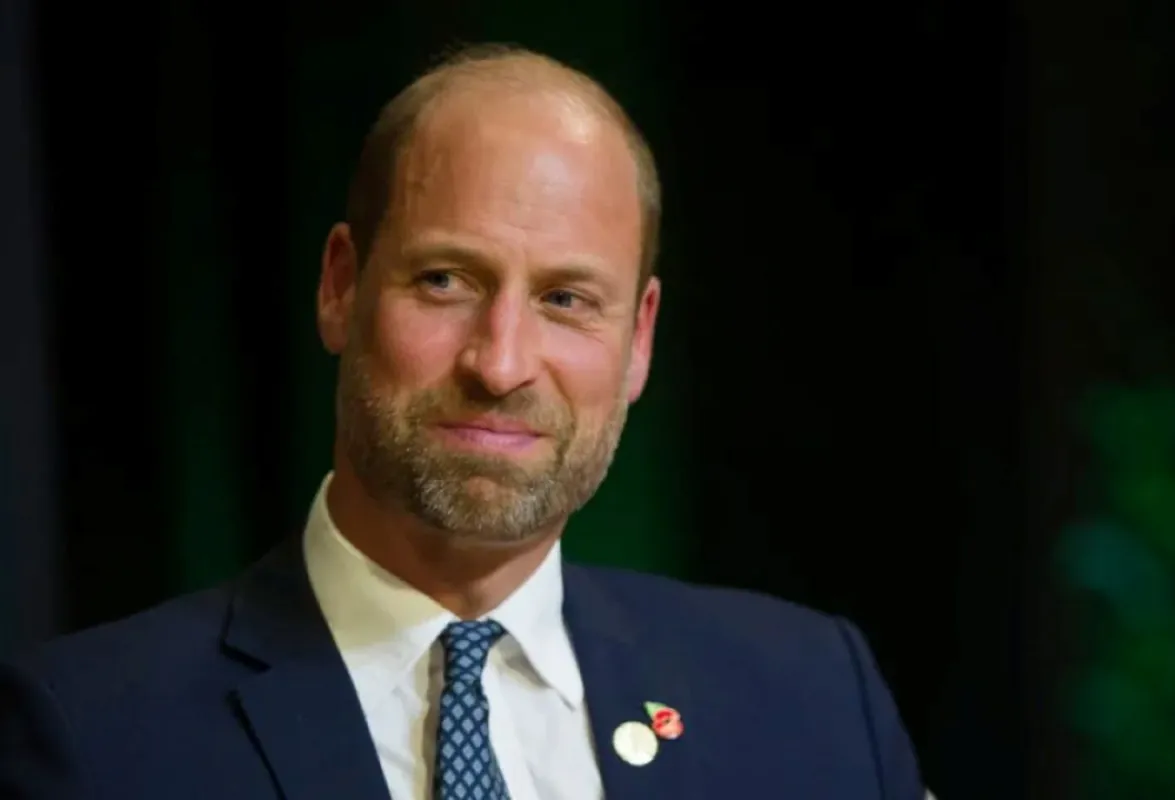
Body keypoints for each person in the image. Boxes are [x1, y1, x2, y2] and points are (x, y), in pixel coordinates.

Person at [0, 45, 926, 799]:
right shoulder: (89, 737)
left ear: (639, 339)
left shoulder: (812, 697)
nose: (502, 362)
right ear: (339, 286)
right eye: (445, 281)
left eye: (566, 299)